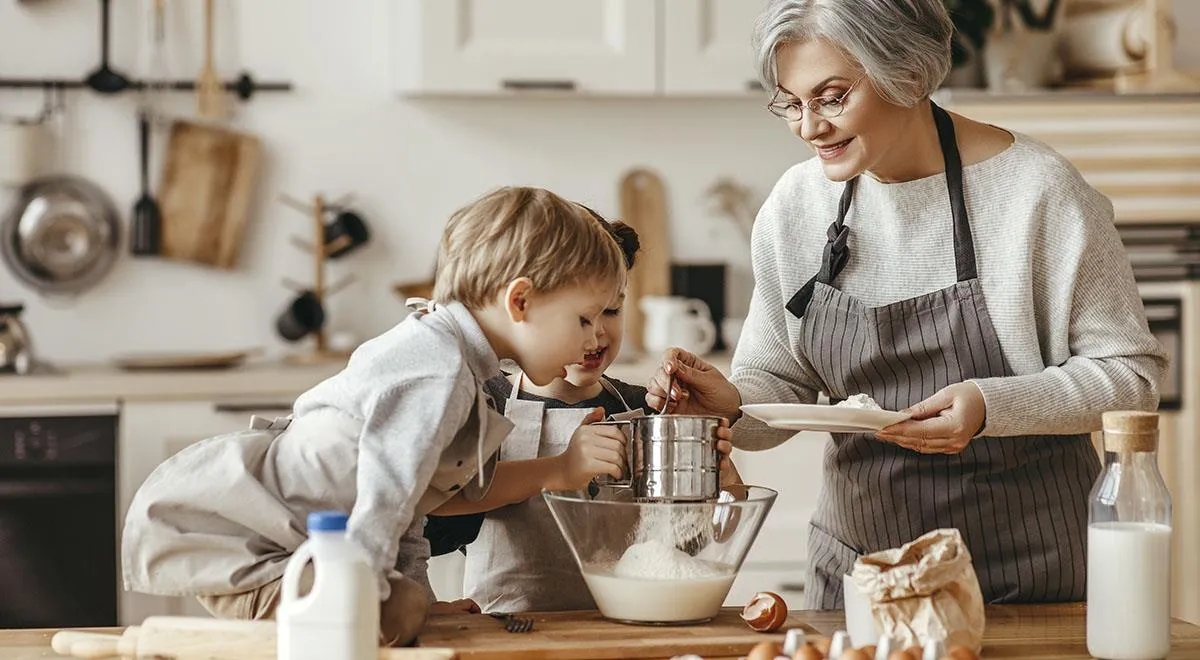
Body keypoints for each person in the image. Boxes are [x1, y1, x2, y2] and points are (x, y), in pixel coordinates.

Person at [645, 0, 1166, 609]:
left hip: (1028, 577)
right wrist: (731, 406)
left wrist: (988, 405)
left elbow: (1132, 379)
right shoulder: (795, 207)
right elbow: (779, 385)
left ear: (910, 74)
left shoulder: (1037, 192)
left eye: (832, 96)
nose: (809, 127)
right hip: (858, 576)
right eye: (791, 102)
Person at [121, 186, 629, 644]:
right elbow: (384, 499)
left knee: (405, 608)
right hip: (260, 549)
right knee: (394, 614)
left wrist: (416, 606)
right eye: (583, 318)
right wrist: (376, 609)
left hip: (289, 545)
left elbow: (408, 509)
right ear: (519, 300)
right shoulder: (441, 373)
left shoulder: (452, 357)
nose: (593, 338)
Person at [425, 216, 742, 613]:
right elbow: (435, 520)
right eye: (582, 317)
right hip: (509, 633)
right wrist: (558, 468)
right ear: (525, 306)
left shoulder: (642, 409)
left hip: (629, 627)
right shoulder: (484, 400)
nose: (597, 335)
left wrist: (718, 475)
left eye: (612, 310)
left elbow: (698, 545)